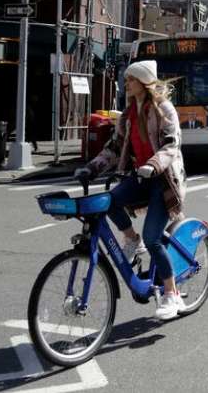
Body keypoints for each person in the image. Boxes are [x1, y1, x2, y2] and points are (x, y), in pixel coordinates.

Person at [74, 61, 188, 321]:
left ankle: (172, 294)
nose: (127, 83)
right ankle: (131, 239)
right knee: (109, 200)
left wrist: (153, 164)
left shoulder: (164, 109)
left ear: (144, 82)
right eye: (126, 80)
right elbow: (114, 148)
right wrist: (90, 169)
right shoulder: (127, 115)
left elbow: (172, 145)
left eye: (131, 79)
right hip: (141, 176)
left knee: (154, 238)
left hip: (165, 180)